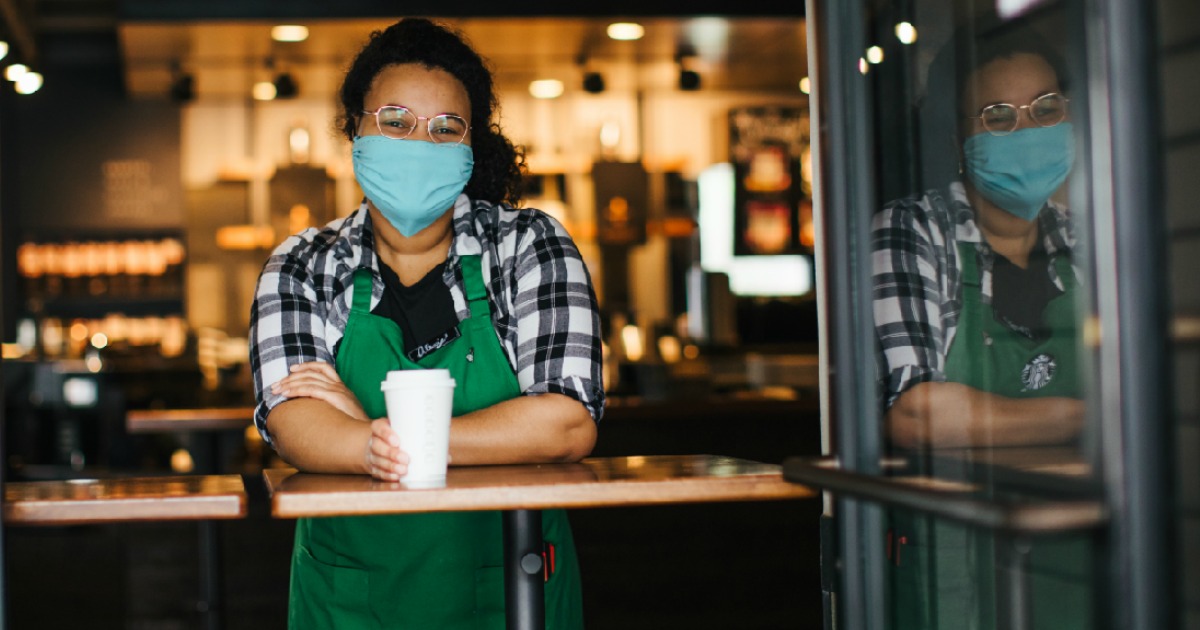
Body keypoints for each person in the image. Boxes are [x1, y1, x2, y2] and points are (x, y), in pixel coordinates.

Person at [248, 18, 604, 629]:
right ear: (353, 128)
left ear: (471, 148)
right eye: (394, 121)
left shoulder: (529, 247)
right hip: (350, 603)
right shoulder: (302, 265)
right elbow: (290, 420)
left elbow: (567, 422)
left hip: (511, 595)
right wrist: (483, 435)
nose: (418, 144)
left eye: (445, 128)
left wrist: (370, 436)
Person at [872, 15, 1090, 630]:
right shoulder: (914, 232)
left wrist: (985, 416)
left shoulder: (1085, 243)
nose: (1027, 131)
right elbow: (919, 415)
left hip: (1077, 545)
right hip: (956, 554)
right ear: (955, 137)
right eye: (997, 117)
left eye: (1046, 109)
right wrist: (1086, 418)